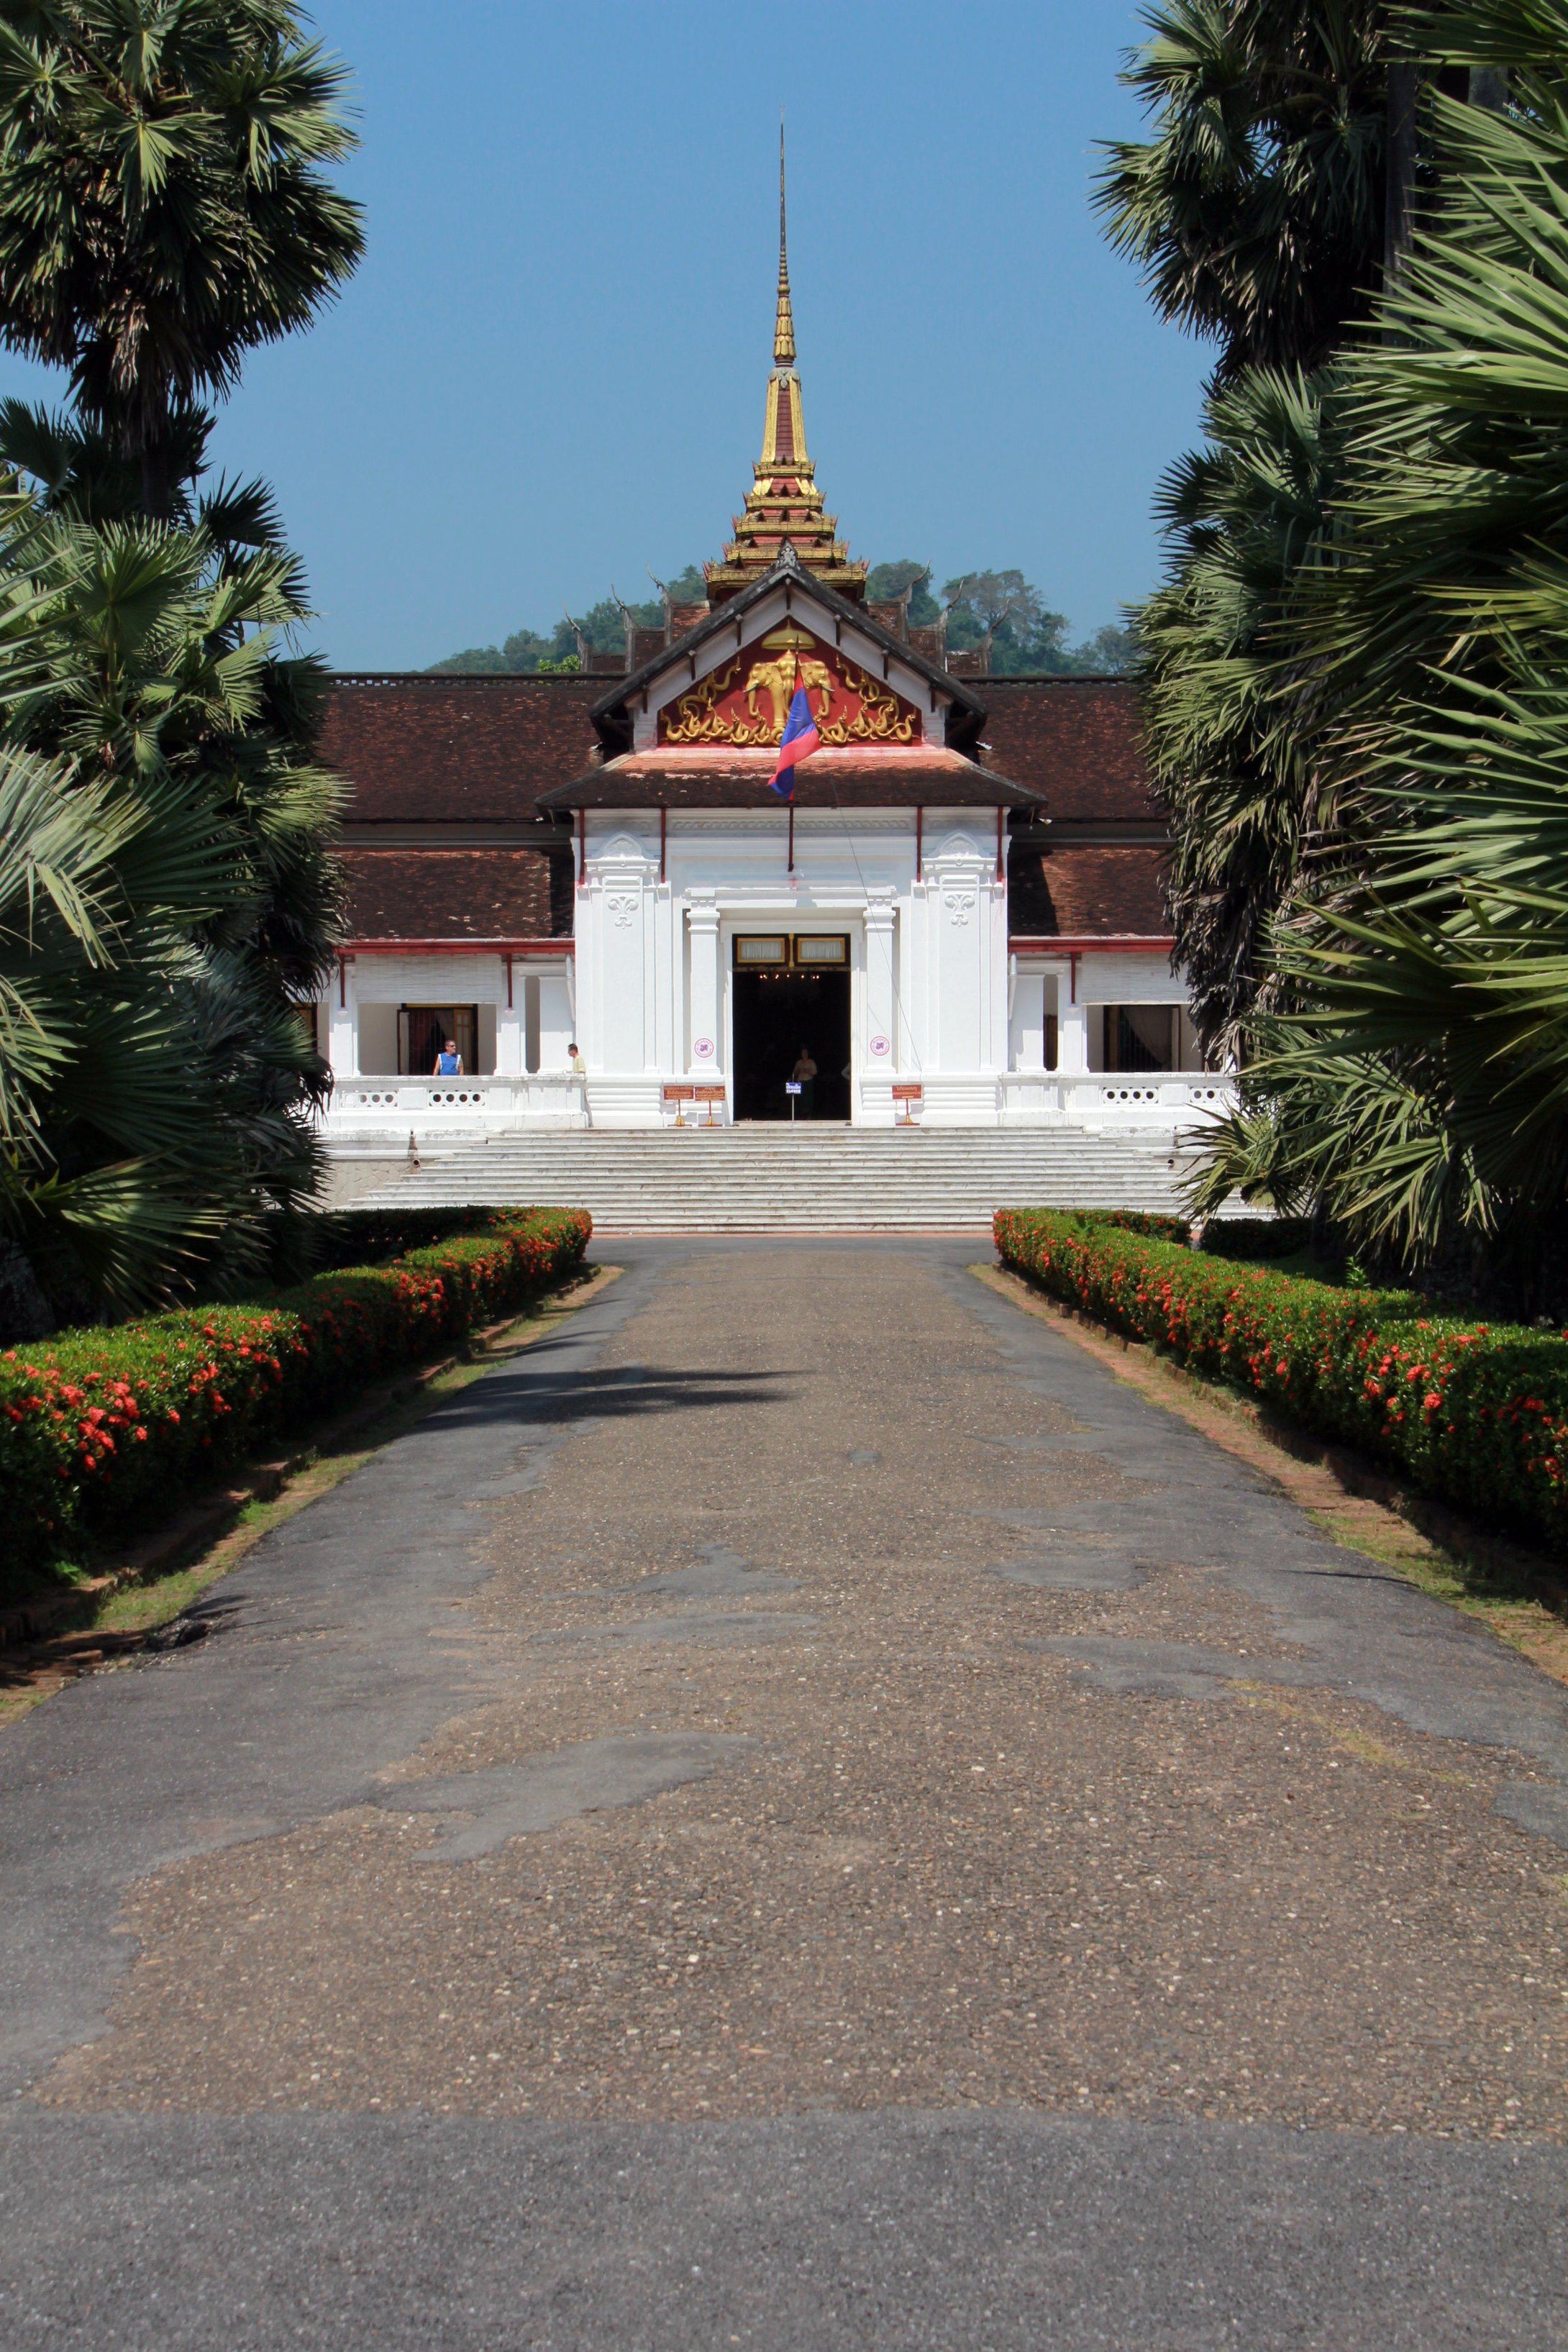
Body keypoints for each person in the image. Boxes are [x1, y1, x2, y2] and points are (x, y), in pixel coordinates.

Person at [568, 1041, 591, 1127]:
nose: (569, 1053)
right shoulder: (576, 1059)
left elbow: (582, 1070)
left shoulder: (579, 1059)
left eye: (569, 1051)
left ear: (573, 1050)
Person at [791, 1044, 817, 1118]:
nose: (804, 1054)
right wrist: (799, 1070)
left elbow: (815, 1072)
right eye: (803, 1053)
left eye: (806, 1053)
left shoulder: (811, 1062)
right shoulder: (799, 1062)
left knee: (808, 1099)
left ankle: (809, 1114)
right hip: (800, 1082)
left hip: (808, 1082)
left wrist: (808, 1070)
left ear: (808, 1054)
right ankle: (801, 1114)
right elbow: (795, 1072)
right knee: (801, 1099)